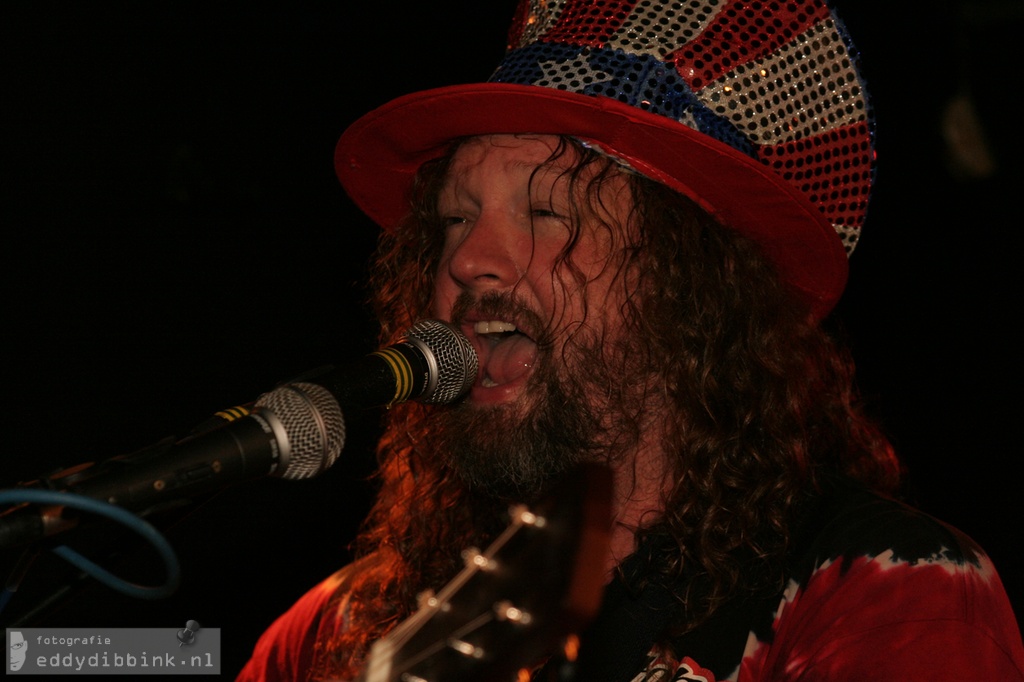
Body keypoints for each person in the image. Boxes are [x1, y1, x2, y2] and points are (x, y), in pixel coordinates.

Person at [238, 0, 1024, 679]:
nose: (468, 259)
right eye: (453, 217)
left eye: (549, 213)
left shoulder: (884, 597)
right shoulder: (334, 636)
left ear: (691, 292)